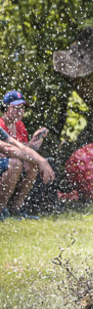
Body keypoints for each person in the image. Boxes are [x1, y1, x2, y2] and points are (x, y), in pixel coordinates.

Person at [0, 91, 54, 219]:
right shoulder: (1, 124)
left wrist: (33, 145)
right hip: (7, 163)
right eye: (16, 108)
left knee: (30, 163)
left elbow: (22, 149)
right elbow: (8, 151)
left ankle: (16, 209)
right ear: (6, 108)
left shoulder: (20, 126)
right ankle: (1, 209)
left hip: (10, 162)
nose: (20, 111)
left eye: (22, 108)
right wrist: (40, 160)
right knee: (16, 163)